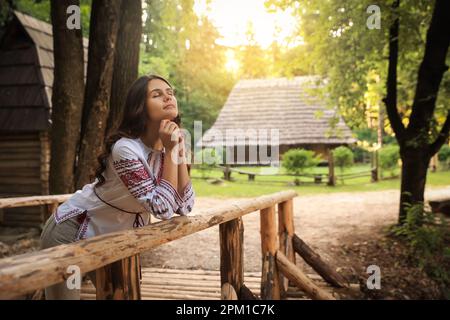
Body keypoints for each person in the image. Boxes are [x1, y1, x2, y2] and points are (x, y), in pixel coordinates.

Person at [40, 74, 195, 299]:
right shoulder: (125, 149)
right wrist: (172, 152)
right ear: (139, 107)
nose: (168, 97)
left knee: (121, 295)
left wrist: (176, 149)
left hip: (115, 239)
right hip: (71, 235)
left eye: (170, 93)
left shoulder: (168, 147)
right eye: (156, 94)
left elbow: (185, 205)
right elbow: (161, 209)